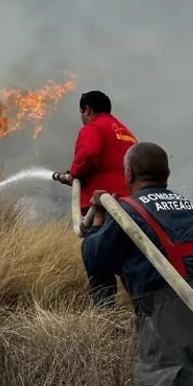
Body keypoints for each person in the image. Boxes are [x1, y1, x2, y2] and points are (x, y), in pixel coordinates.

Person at [80, 142, 193, 386]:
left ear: (129, 174)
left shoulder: (127, 211)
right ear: (167, 173)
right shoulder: (188, 207)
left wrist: (99, 216)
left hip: (175, 321)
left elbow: (95, 260)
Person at [52, 90, 136, 306]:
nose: (82, 117)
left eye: (82, 113)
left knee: (97, 261)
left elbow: (87, 154)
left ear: (87, 110)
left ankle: (105, 322)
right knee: (131, 267)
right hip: (132, 208)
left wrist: (74, 173)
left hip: (104, 209)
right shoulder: (125, 132)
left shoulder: (93, 127)